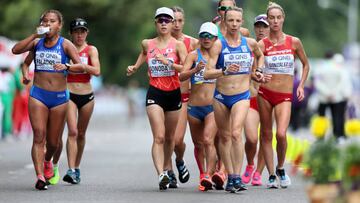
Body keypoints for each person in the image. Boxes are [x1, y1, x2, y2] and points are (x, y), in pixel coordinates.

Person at [12, 9, 85, 190]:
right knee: (38, 136)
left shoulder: (65, 44)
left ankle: (47, 161)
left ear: (59, 25)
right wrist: (25, 74)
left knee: (53, 143)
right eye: (45, 21)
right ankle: (39, 177)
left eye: (52, 21)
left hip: (59, 98)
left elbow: (81, 67)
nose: (48, 24)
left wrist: (67, 65)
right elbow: (17, 52)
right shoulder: (37, 42)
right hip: (38, 95)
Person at [204, 7, 268, 193]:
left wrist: (259, 70)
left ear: (242, 22)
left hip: (241, 95)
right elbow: (207, 73)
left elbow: (260, 56)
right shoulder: (218, 45)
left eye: (237, 21)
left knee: (235, 133)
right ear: (225, 21)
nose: (233, 24)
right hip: (221, 97)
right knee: (224, 137)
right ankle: (230, 176)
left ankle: (237, 176)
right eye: (230, 20)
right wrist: (223, 71)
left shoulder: (249, 43)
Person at [126, 7, 187, 190]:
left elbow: (184, 68)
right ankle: (161, 173)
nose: (164, 23)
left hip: (174, 92)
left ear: (171, 24)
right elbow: (145, 54)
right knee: (159, 136)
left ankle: (168, 168)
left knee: (170, 138)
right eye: (160, 20)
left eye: (167, 20)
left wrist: (167, 62)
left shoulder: (178, 45)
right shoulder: (147, 43)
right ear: (155, 22)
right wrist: (135, 67)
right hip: (155, 92)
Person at [257, 2, 310, 189]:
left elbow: (306, 64)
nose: (275, 21)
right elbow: (252, 69)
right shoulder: (261, 44)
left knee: (280, 133)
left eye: (278, 17)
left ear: (283, 19)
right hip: (265, 93)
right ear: (267, 20)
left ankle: (280, 167)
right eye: (271, 18)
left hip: (284, 95)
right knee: (265, 134)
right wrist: (259, 75)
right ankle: (271, 174)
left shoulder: (293, 42)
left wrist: (301, 86)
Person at [50, 18, 101, 185]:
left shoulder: (91, 50)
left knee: (81, 133)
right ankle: (71, 170)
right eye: (77, 32)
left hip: (87, 95)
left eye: (83, 31)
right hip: (69, 93)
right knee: (72, 131)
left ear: (87, 33)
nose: (80, 35)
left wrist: (78, 66)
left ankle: (77, 167)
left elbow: (97, 71)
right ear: (71, 33)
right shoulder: (65, 48)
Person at [179, 22, 218, 191]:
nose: (206, 39)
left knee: (209, 140)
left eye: (209, 36)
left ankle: (210, 174)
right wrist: (195, 70)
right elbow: (181, 77)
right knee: (198, 144)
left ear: (215, 38)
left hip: (212, 106)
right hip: (194, 107)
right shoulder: (193, 56)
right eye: (203, 36)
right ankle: (203, 174)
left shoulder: (219, 56)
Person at [164, 6, 198, 187]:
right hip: (162, 94)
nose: (176, 24)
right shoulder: (158, 43)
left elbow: (200, 65)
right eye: (172, 20)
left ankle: (179, 160)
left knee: (177, 140)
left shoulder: (192, 43)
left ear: (183, 22)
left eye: (179, 21)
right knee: (164, 137)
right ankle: (169, 172)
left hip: (183, 95)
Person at [241, 14, 270, 186]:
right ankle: (250, 164)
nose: (261, 29)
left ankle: (259, 172)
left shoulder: (276, 48)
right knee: (251, 138)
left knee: (265, 137)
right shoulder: (249, 46)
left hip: (270, 98)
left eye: (264, 26)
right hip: (251, 96)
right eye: (258, 26)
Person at [313, 51, 351, 139]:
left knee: (321, 117)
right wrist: (333, 92)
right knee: (336, 117)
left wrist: (326, 92)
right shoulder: (338, 68)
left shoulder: (320, 67)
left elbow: (317, 82)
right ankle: (337, 136)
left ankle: (320, 136)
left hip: (323, 97)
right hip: (336, 97)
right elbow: (342, 82)